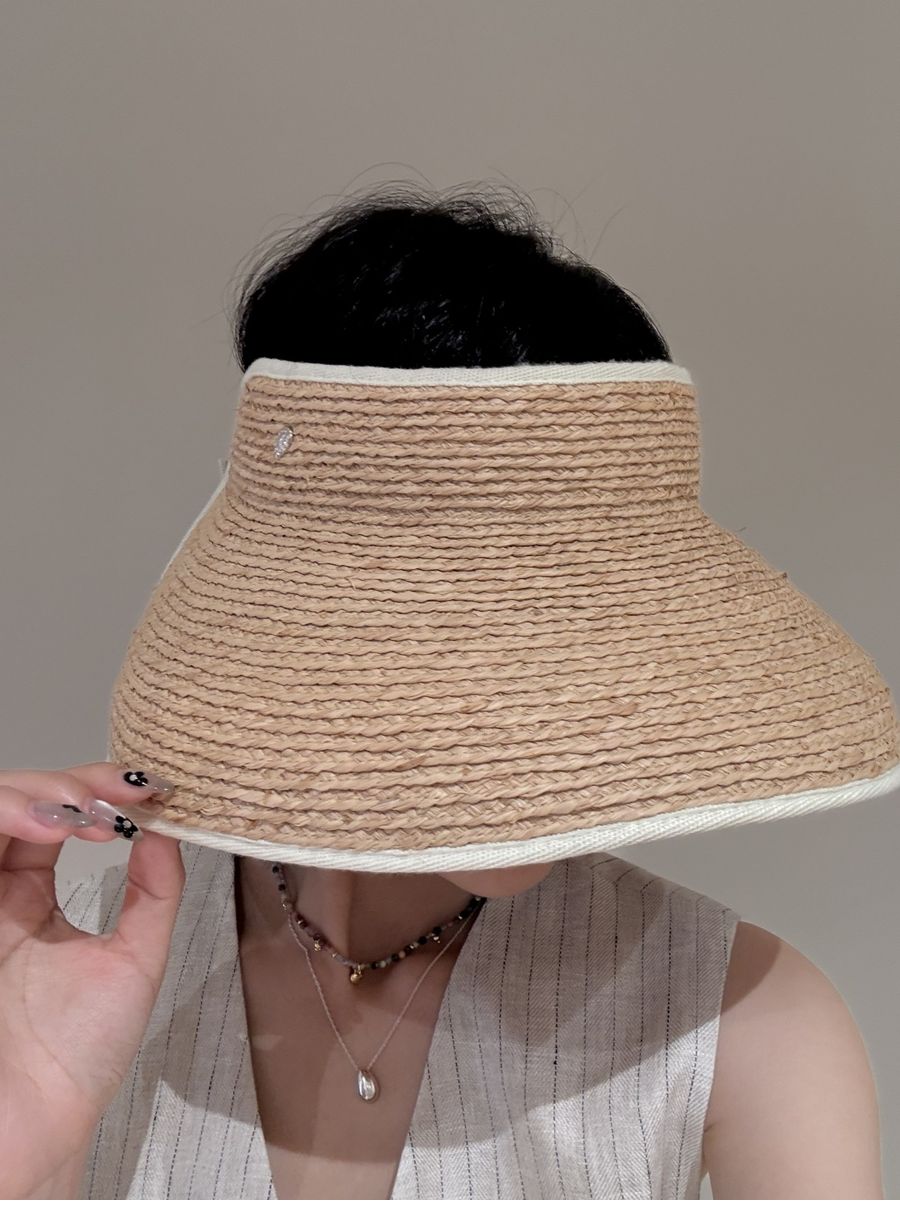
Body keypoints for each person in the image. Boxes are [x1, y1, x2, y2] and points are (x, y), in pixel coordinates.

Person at [0, 186, 887, 1200]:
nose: (517, 710)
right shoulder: (44, 962)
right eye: (454, 637)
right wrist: (30, 1151)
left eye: (579, 624)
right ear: (294, 613)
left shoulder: (748, 1024)